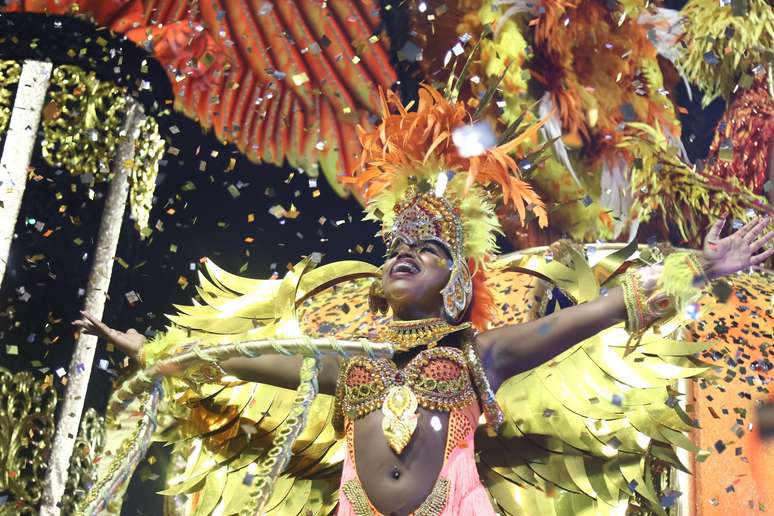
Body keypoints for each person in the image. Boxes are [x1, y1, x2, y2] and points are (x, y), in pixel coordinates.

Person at [75, 86, 773, 515]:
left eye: (428, 249)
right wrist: (156, 352)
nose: (402, 253)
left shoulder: (481, 354)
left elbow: (603, 310)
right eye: (396, 247)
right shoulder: (345, 363)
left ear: (457, 280)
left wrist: (703, 269)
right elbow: (236, 359)